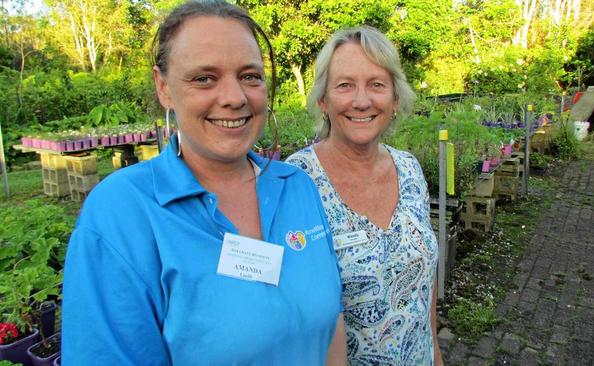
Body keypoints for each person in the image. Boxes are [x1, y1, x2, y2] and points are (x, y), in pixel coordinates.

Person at [61, 1, 346, 364]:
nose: (234, 98)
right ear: (163, 86)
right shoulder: (121, 215)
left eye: (250, 76)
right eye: (204, 78)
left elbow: (331, 326)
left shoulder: (297, 187)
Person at [286, 26, 443, 365]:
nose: (361, 101)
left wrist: (436, 354)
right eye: (345, 85)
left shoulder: (410, 170)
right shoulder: (296, 180)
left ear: (395, 99)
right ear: (323, 100)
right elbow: (289, 310)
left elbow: (423, 281)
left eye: (376, 84)